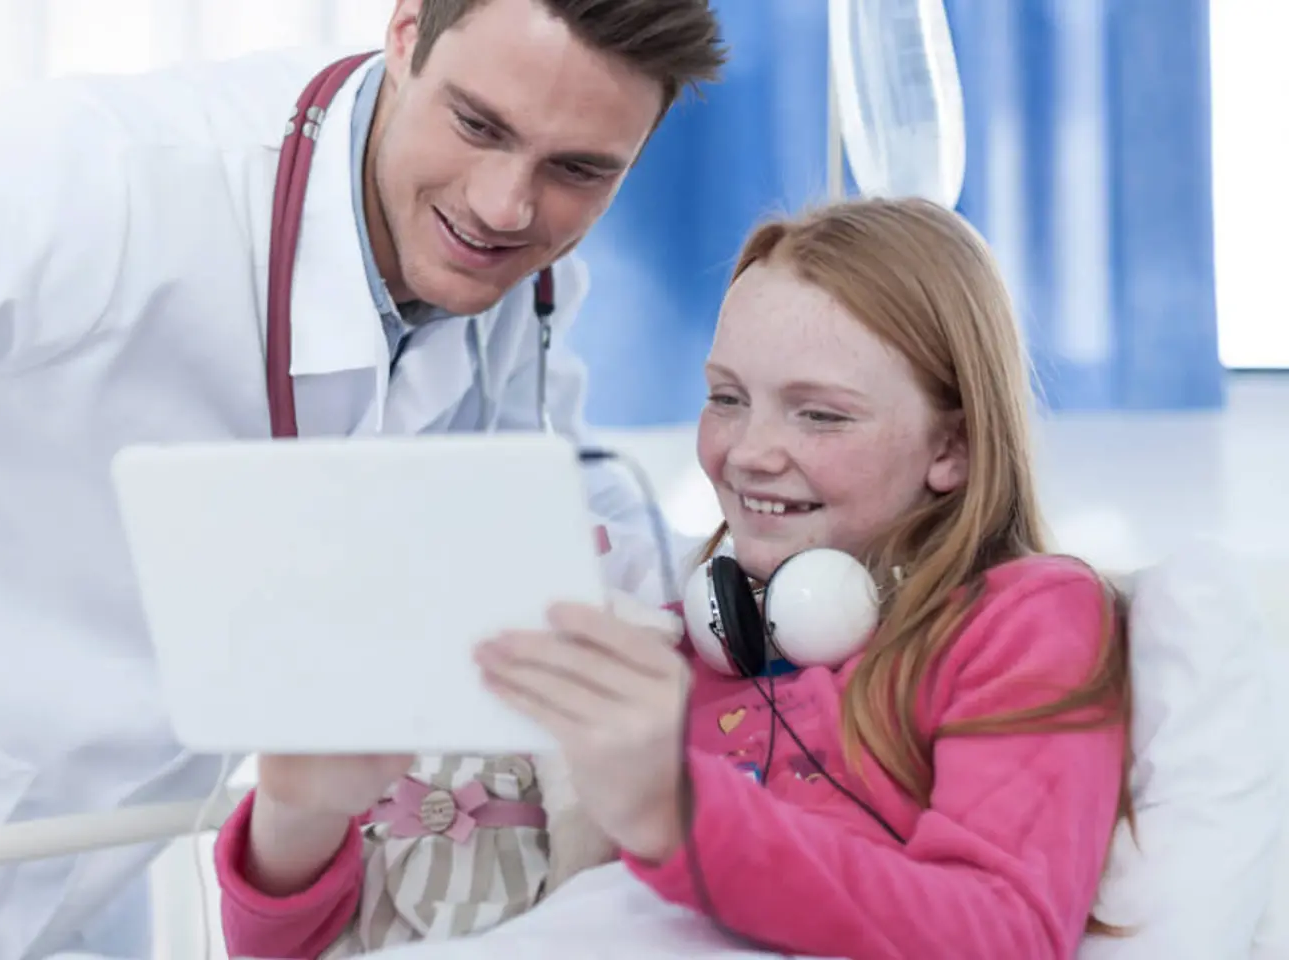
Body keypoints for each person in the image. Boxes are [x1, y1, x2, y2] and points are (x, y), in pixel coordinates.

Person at [0, 0, 727, 956]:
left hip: (96, 860)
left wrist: (749, 587)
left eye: (579, 170)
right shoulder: (115, 177)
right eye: (478, 125)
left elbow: (539, 493)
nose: (505, 205)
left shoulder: (528, 287)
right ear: (404, 33)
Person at [214, 196, 1133, 960]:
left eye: (819, 414)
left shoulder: (1024, 619)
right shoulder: (666, 657)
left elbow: (1003, 934)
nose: (749, 453)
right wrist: (297, 821)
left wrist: (675, 811)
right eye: (726, 398)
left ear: (954, 446)